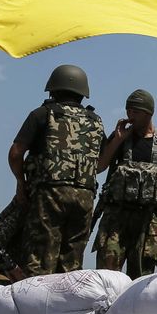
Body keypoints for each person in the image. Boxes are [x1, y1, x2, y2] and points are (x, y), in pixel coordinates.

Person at [8, 64, 105, 275]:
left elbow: (15, 153)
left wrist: (21, 183)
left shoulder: (42, 114)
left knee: (40, 261)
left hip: (49, 195)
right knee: (72, 265)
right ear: (83, 93)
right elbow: (100, 164)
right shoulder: (95, 121)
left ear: (53, 89)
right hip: (85, 197)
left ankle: (36, 297)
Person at [91, 89, 157, 278]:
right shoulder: (120, 137)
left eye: (135, 111)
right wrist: (117, 140)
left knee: (142, 276)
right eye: (128, 111)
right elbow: (100, 166)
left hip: (149, 221)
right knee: (107, 275)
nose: (130, 115)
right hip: (116, 219)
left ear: (148, 113)